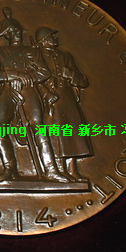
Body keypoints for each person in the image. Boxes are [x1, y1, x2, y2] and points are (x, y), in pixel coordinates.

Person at [0, 8, 69, 182]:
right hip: (7, 91)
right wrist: (13, 75)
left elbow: (44, 72)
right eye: (11, 31)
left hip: (29, 90)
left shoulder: (32, 51)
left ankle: (51, 170)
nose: (16, 34)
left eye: (17, 30)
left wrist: (26, 79)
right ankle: (10, 168)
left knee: (38, 127)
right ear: (6, 34)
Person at [34, 26, 93, 181]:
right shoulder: (36, 56)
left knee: (72, 132)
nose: (55, 39)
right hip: (48, 99)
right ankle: (59, 169)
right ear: (43, 41)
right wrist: (46, 93)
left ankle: (73, 169)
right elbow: (33, 79)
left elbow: (83, 81)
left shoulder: (65, 56)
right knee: (55, 133)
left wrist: (71, 74)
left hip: (67, 97)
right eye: (51, 37)